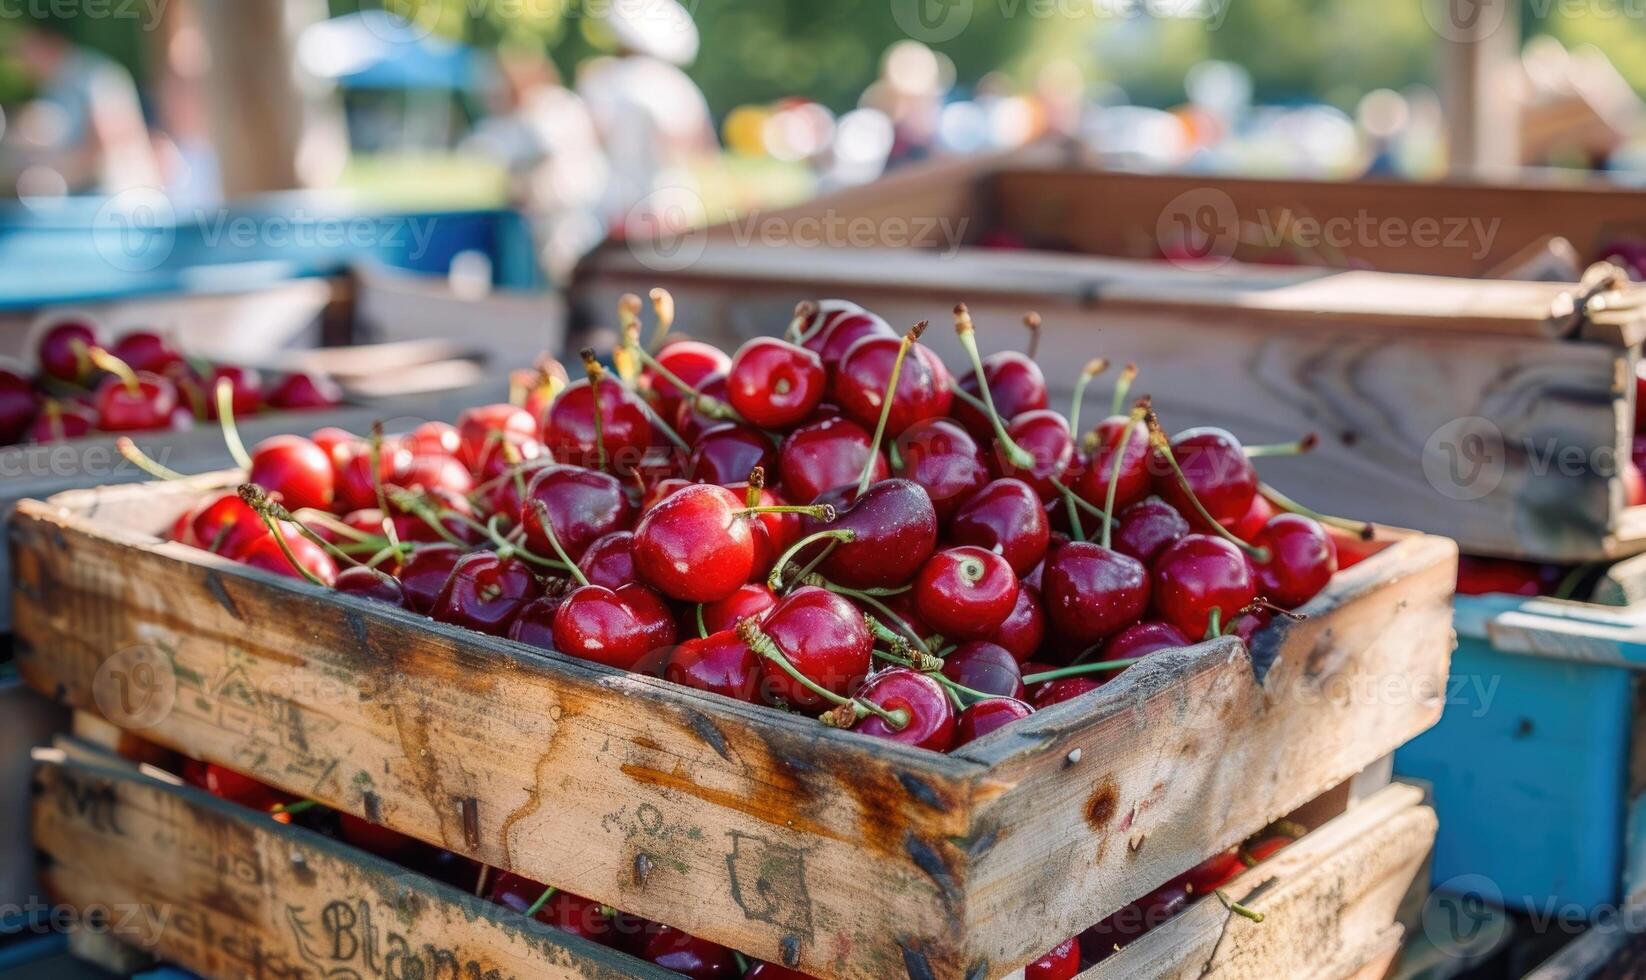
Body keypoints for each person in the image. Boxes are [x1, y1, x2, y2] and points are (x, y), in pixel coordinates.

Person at [575, 0, 716, 227]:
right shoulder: (677, 85)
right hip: (669, 205)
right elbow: (700, 148)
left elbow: (587, 139)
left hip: (612, 205)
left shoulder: (601, 79)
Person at [1, 20, 159, 195]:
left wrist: (57, 173)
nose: (23, 61)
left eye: (29, 49)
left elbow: (103, 147)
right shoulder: (52, 87)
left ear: (50, 42)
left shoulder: (95, 76)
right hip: (87, 199)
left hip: (120, 196)